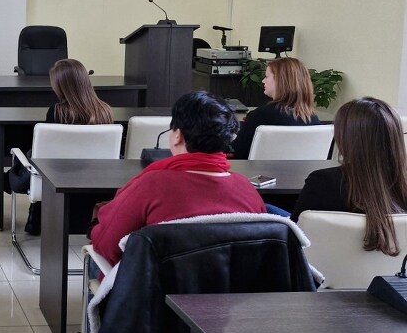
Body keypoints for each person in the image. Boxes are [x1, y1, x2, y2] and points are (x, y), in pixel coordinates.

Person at [90, 90, 267, 266]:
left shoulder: (151, 185)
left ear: (177, 136)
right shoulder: (247, 190)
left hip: (157, 283)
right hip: (230, 283)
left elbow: (106, 245)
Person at [291, 97, 407, 255]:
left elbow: (293, 237)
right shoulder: (402, 187)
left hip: (323, 270)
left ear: (345, 138)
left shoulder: (321, 183)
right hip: (393, 271)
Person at [22, 59, 115, 234]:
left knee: (29, 155)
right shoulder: (105, 110)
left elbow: (47, 153)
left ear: (62, 86)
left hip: (59, 178)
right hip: (97, 178)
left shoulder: (57, 111)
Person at [230, 57, 320, 159]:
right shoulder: (313, 119)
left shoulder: (260, 116)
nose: (263, 81)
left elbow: (237, 153)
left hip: (260, 169)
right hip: (304, 170)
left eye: (266, 77)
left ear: (280, 80)